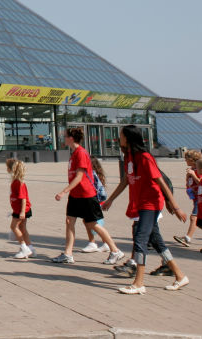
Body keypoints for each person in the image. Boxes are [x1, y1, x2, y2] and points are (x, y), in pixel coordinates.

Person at [103, 125, 189, 294]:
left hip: (151, 204)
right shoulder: (128, 157)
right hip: (139, 203)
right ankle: (180, 276)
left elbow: (161, 182)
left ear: (128, 138)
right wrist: (111, 199)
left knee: (140, 239)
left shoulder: (145, 157)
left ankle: (138, 283)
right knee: (157, 242)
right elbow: (125, 181)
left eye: (120, 135)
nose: (118, 138)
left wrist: (176, 206)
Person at [52, 128, 125, 265]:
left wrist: (64, 191)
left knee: (92, 224)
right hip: (76, 195)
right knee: (69, 221)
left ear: (71, 138)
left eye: (65, 136)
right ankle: (68, 254)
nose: (64, 138)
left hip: (86, 195)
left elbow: (79, 177)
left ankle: (115, 251)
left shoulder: (81, 153)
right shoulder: (74, 154)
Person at [79, 158, 111, 254]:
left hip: (93, 201)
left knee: (91, 222)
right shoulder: (97, 174)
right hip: (95, 201)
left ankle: (101, 243)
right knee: (88, 221)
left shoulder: (91, 174)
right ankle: (94, 242)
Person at [173, 150, 202, 247]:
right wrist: (188, 178)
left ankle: (187, 238)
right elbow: (190, 183)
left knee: (193, 217)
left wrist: (193, 175)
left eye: (186, 159)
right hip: (196, 198)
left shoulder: (200, 170)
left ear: (192, 160)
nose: (185, 160)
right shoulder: (191, 170)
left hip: (201, 198)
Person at [5, 158, 34, 259]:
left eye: (7, 167)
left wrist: (22, 212)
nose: (6, 169)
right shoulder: (16, 182)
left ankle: (24, 247)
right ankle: (30, 247)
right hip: (19, 210)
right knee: (22, 228)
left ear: (11, 169)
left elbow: (23, 199)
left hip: (21, 210)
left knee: (14, 227)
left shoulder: (19, 183)